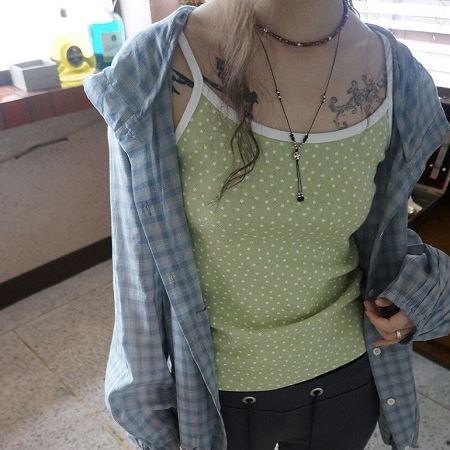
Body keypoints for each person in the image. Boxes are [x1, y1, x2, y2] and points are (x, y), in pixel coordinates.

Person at [83, 1, 450, 449]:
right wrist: (150, 422)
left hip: (350, 379)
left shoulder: (398, 76)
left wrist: (418, 298)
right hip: (219, 401)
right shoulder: (158, 70)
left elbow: (385, 239)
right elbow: (137, 277)